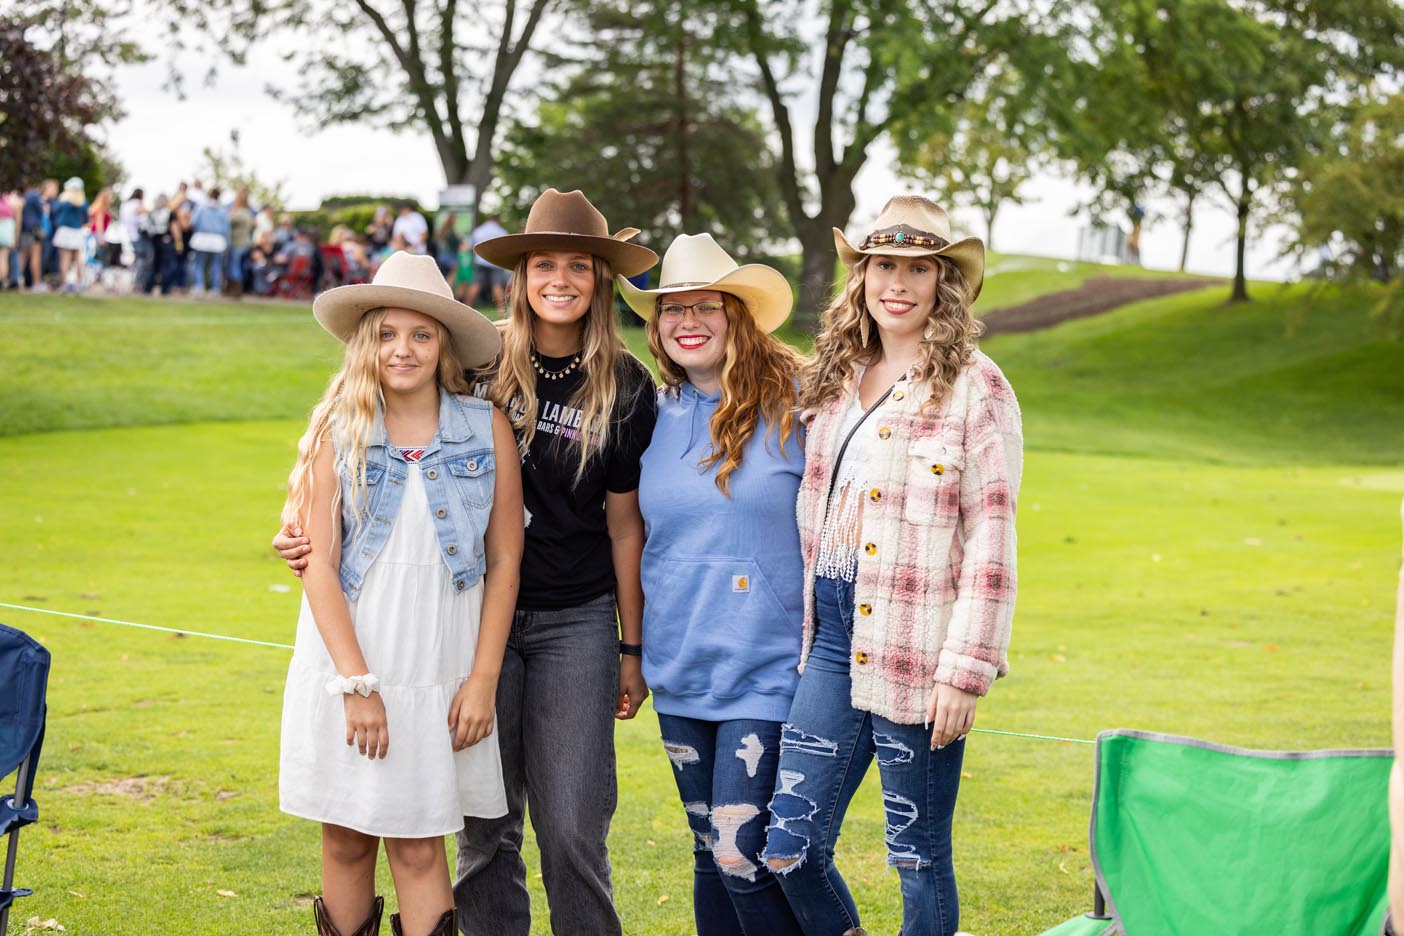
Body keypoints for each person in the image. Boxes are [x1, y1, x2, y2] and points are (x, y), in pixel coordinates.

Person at [276, 188, 658, 936]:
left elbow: (624, 527)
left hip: (569, 615)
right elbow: (370, 451)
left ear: (600, 278)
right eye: (543, 264)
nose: (559, 279)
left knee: (572, 826)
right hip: (465, 620)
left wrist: (630, 647)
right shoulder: (483, 366)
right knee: (483, 827)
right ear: (520, 275)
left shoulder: (623, 384)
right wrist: (300, 529)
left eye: (578, 265)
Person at [761, 196, 1022, 936]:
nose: (898, 284)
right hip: (833, 638)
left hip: (920, 644)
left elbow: (992, 539)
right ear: (862, 276)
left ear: (944, 284)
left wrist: (964, 671)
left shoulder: (977, 387)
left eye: (918, 269)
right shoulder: (835, 378)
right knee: (789, 849)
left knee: (917, 857)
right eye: (883, 267)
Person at [278, 251, 522, 936]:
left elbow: (505, 559)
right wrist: (356, 684)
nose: (403, 349)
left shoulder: (485, 428)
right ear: (366, 342)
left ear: (443, 344)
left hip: (437, 667)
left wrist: (483, 680)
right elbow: (319, 566)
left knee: (419, 844)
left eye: (421, 334)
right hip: (348, 661)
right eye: (386, 334)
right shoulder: (340, 429)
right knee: (345, 838)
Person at [620, 233, 806, 935]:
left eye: (705, 306)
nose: (687, 321)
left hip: (769, 669)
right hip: (680, 665)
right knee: (709, 851)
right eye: (672, 308)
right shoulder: (649, 414)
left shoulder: (800, 406)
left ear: (738, 317)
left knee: (741, 852)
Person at [190, 187, 230, 296]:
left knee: (199, 264)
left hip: (202, 238)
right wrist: (227, 243)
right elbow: (226, 228)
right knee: (216, 265)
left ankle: (199, 286)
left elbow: (194, 222)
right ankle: (215, 289)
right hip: (217, 240)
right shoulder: (223, 210)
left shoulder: (201, 207)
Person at [51, 178, 89, 293]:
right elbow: (86, 218)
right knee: (78, 259)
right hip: (77, 232)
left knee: (65, 259)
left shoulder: (63, 201)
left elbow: (54, 213)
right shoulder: (83, 202)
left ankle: (65, 284)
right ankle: (79, 284)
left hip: (65, 231)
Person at [20, 180, 55, 291]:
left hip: (25, 230)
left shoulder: (27, 197)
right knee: (35, 258)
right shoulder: (35, 197)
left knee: (23, 257)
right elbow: (41, 214)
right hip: (34, 231)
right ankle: (36, 283)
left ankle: (17, 280)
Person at [470, 214, 511, 307]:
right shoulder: (501, 231)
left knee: (476, 284)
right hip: (495, 262)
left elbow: (472, 246)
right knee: (497, 285)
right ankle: (501, 310)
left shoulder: (478, 230)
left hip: (480, 261)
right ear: (497, 221)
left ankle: (467, 306)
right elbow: (506, 248)